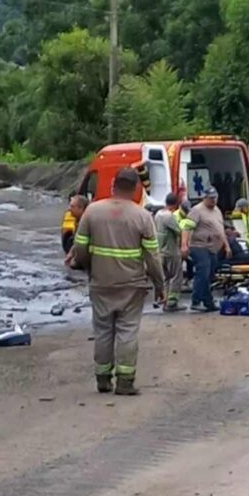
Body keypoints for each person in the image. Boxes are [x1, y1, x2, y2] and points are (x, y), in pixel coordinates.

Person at [70, 168, 164, 395]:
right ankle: (125, 381)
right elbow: (152, 256)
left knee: (102, 330)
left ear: (113, 184)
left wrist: (89, 269)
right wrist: (159, 284)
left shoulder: (92, 212)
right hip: (132, 285)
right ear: (135, 189)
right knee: (127, 331)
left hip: (101, 282)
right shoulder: (142, 216)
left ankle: (102, 379)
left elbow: (79, 249)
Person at [180, 188, 230, 312]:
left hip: (213, 248)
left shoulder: (217, 210)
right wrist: (184, 245)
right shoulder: (197, 210)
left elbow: (220, 230)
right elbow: (186, 228)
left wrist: (227, 245)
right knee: (203, 273)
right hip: (199, 246)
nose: (213, 200)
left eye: (215, 197)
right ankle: (196, 301)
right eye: (211, 198)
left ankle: (208, 301)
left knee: (209, 275)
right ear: (204, 198)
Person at [153, 193, 186, 312]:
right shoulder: (169, 216)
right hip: (171, 251)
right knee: (176, 277)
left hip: (160, 251)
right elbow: (178, 231)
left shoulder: (158, 214)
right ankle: (172, 303)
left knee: (166, 278)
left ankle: (165, 301)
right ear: (176, 204)